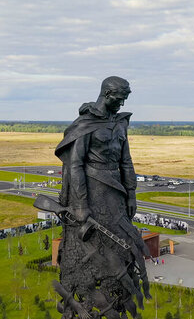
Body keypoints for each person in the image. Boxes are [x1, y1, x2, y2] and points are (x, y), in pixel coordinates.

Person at [53, 76, 151, 319]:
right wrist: (82, 205)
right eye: (120, 98)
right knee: (92, 246)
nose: (122, 102)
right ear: (108, 94)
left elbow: (125, 161)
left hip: (115, 195)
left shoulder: (119, 123)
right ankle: (86, 300)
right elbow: (75, 165)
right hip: (93, 195)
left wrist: (131, 193)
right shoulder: (86, 124)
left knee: (122, 245)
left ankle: (118, 297)